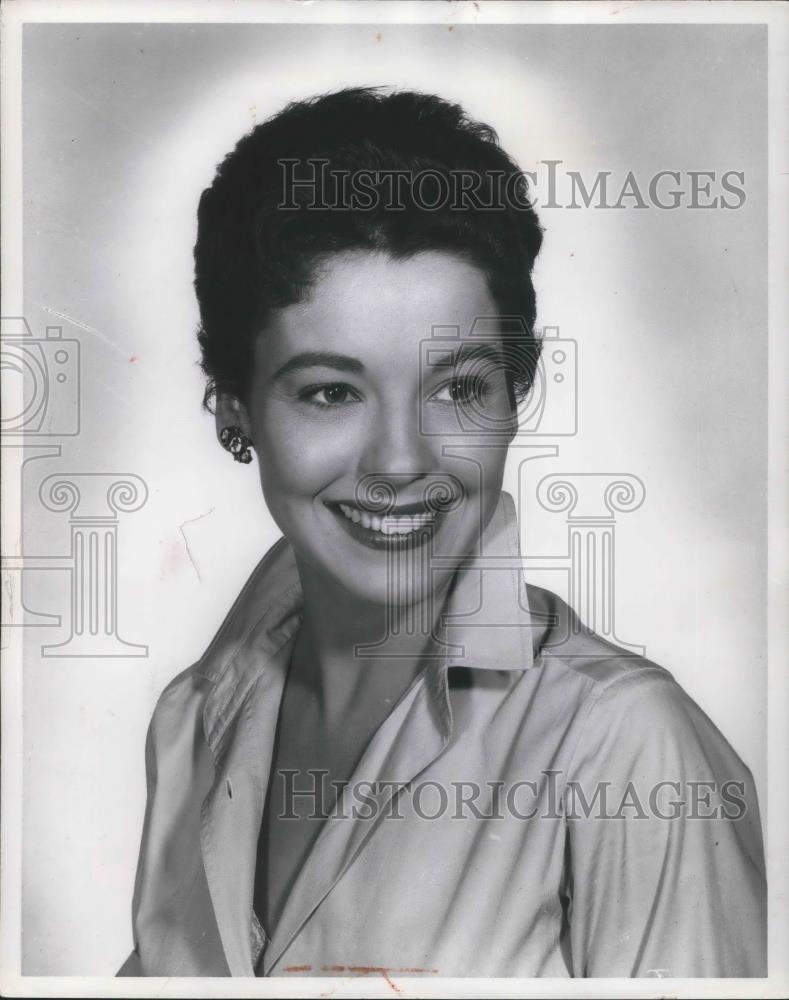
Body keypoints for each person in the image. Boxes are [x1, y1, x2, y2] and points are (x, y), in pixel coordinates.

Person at [118, 87, 766, 978]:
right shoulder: (192, 720)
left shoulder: (621, 743)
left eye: (457, 388)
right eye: (331, 392)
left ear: (514, 393)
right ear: (235, 406)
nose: (399, 460)